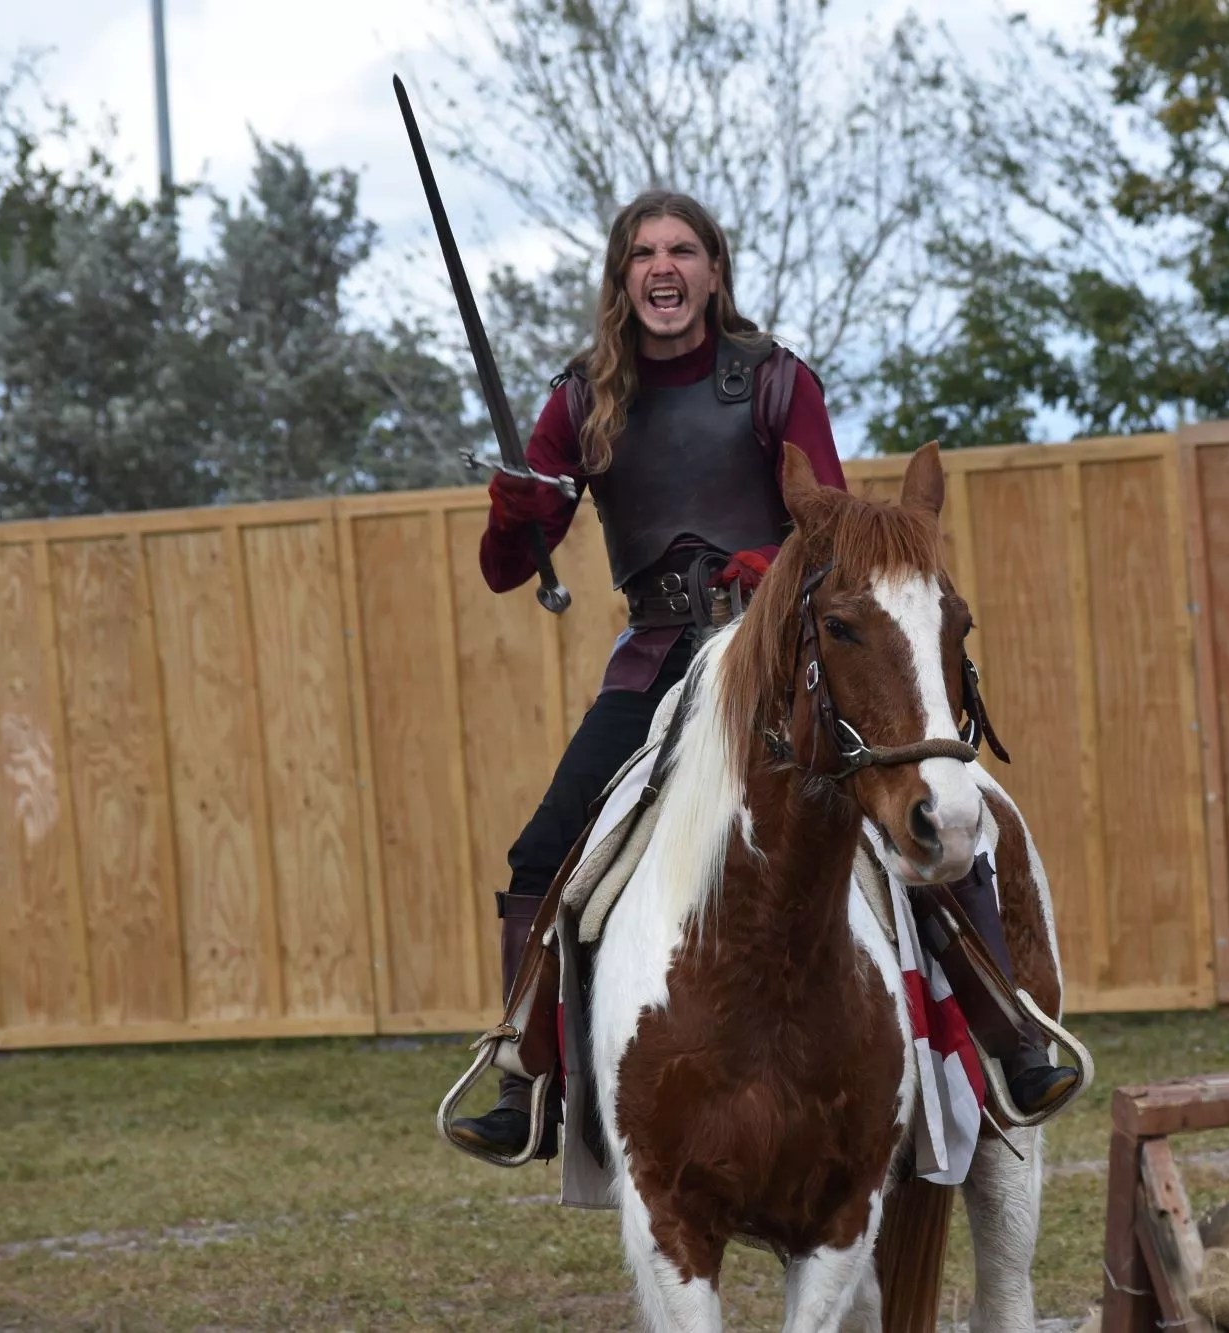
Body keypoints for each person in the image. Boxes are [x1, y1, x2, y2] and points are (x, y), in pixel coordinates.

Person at [450, 190, 1077, 1162]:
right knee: (544, 851)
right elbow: (507, 567)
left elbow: (824, 526)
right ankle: (530, 1078)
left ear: (711, 269)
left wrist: (763, 571)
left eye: (682, 250)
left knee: (914, 804)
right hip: (653, 659)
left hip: (771, 657)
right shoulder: (581, 399)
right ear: (622, 276)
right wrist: (515, 507)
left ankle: (1007, 1032)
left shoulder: (775, 380)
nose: (663, 267)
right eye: (644, 252)